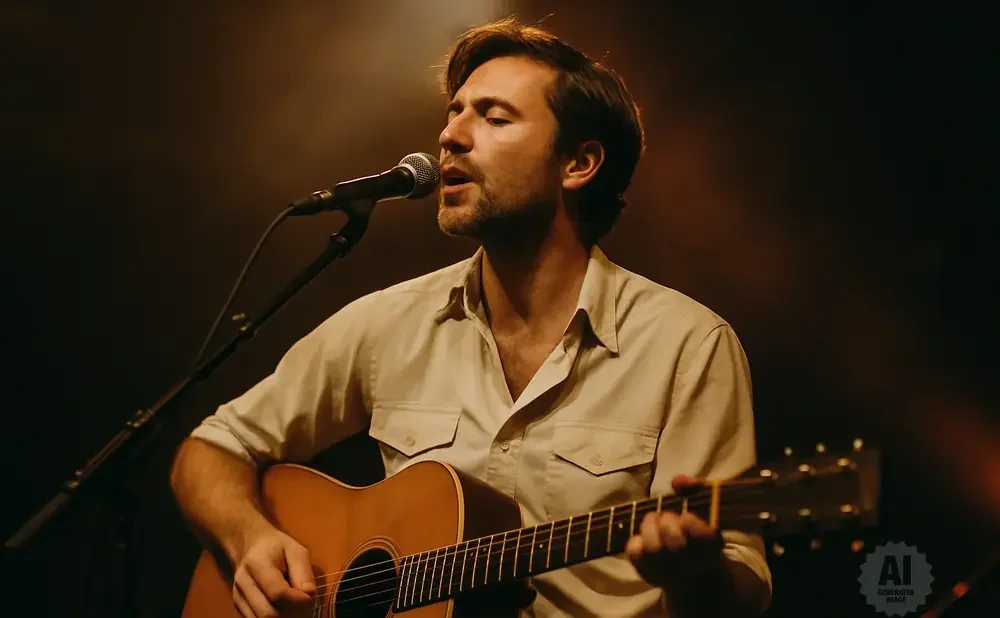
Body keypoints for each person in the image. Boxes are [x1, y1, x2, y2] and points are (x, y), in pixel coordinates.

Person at [170, 17, 772, 618]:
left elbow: (738, 593)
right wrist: (251, 538)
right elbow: (210, 451)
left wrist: (696, 574)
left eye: (494, 117)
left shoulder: (686, 343)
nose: (451, 137)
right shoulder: (390, 324)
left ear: (579, 164)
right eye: (454, 112)